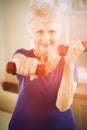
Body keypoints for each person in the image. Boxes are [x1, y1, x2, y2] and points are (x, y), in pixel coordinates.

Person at [8, 1, 86, 130]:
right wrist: (23, 64)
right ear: (30, 33)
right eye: (39, 31)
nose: (46, 38)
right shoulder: (23, 54)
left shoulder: (69, 61)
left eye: (52, 31)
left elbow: (63, 105)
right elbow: (18, 60)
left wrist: (69, 62)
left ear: (59, 32)